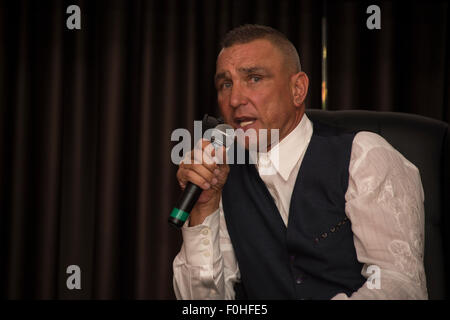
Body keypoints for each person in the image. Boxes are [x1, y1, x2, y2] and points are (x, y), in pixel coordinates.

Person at [172, 24, 427, 300]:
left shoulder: (363, 156)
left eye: (254, 78)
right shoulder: (223, 176)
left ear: (298, 89)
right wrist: (204, 209)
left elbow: (400, 285)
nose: (235, 99)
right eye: (226, 84)